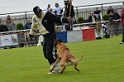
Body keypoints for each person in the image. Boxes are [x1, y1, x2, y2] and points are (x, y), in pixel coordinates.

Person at [29, 6, 71, 74]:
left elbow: (56, 19)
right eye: (38, 13)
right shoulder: (34, 18)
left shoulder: (47, 14)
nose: (39, 14)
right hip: (45, 36)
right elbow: (34, 26)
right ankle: (62, 61)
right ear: (35, 14)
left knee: (49, 53)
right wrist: (31, 34)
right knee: (46, 54)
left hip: (51, 35)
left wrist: (66, 19)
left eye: (40, 12)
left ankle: (56, 69)